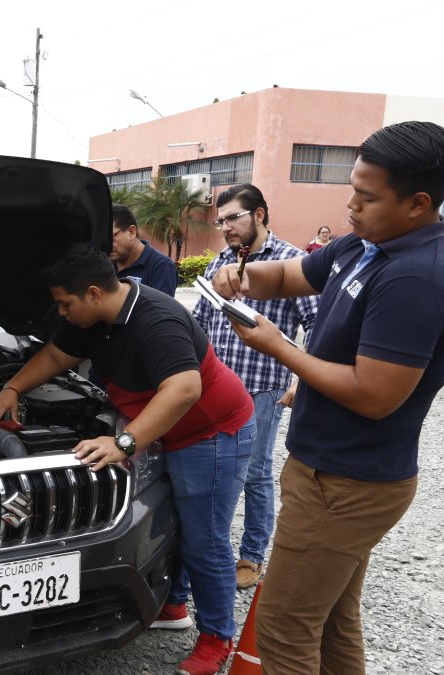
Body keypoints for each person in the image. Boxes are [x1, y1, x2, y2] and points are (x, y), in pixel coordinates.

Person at [212, 121, 444, 674]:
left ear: (418, 204)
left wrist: (279, 347)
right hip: (332, 472)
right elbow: (291, 275)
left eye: (367, 196)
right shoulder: (366, 245)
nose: (351, 206)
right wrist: (244, 278)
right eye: (353, 189)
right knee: (332, 622)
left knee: (284, 631)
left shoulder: (417, 278)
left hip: (348, 482)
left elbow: (374, 395)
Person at [0, 243, 254, 675]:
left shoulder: (156, 319)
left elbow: (184, 390)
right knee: (169, 523)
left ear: (94, 293)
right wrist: (12, 388)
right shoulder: (92, 318)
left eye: (65, 304)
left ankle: (217, 638)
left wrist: (124, 443)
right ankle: (173, 606)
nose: (62, 313)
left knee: (205, 538)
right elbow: (55, 355)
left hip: (209, 434)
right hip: (156, 430)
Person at [192, 183, 317, 590]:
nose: (226, 227)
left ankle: (252, 554)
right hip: (216, 389)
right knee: (215, 467)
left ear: (259, 215)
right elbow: (201, 324)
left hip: (263, 388)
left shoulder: (291, 262)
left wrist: (301, 378)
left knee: (256, 473)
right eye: (221, 221)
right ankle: (211, 550)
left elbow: (318, 324)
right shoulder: (219, 264)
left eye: (233, 218)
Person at [109, 204, 179, 296]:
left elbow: (159, 305)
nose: (107, 245)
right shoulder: (105, 264)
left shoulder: (162, 266)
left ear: (131, 232)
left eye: (111, 238)